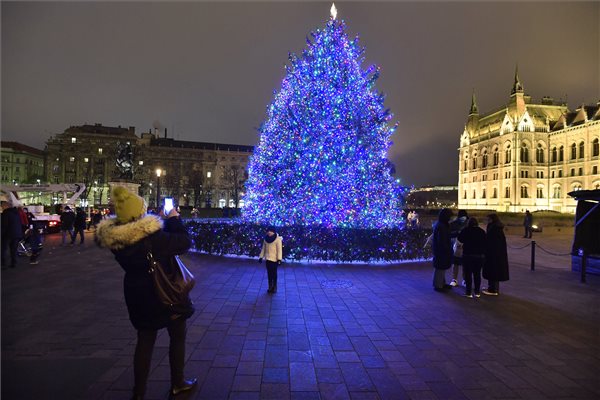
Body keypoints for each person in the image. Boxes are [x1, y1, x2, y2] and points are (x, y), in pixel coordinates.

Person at [95, 186, 197, 400]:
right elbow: (184, 242)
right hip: (164, 293)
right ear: (140, 213)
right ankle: (178, 383)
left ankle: (138, 394)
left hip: (136, 293)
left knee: (145, 340)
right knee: (177, 336)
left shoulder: (118, 239)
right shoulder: (152, 238)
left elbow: (146, 237)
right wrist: (174, 219)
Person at [458, 217, 487, 298]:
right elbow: (485, 242)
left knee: (468, 274)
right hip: (479, 256)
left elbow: (460, 239)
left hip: (468, 255)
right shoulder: (481, 231)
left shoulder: (466, 230)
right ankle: (477, 292)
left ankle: (468, 292)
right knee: (477, 274)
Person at [483, 213, 509, 296]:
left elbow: (490, 240)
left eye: (488, 219)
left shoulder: (494, 228)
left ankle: (493, 290)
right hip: (497, 253)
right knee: (495, 271)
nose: (487, 221)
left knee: (493, 270)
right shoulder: (497, 227)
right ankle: (493, 288)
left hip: (493, 253)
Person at [432, 208, 453, 291]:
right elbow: (442, 240)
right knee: (440, 268)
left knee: (441, 268)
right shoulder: (442, 226)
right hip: (441, 251)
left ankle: (441, 283)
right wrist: (447, 249)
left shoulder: (441, 224)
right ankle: (438, 285)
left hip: (441, 250)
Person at [1, 194, 24, 269]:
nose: (2, 207)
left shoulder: (5, 213)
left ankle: (2, 263)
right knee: (13, 249)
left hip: (8, 234)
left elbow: (4, 225)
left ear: (7, 205)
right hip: (16, 234)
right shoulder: (16, 213)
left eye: (3, 205)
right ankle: (14, 263)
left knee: (3, 249)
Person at [258, 226, 283, 293]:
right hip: (268, 259)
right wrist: (261, 257)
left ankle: (274, 287)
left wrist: (279, 259)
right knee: (269, 274)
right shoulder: (266, 239)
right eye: (268, 231)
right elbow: (263, 249)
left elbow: (279, 250)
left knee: (274, 274)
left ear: (274, 232)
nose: (269, 232)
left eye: (271, 231)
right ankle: (270, 286)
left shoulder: (278, 239)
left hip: (274, 260)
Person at [449, 210, 469, 287]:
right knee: (455, 263)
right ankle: (454, 279)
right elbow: (450, 233)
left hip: (466, 246)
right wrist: (457, 233)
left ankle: (464, 280)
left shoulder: (468, 223)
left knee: (465, 264)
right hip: (456, 246)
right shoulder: (454, 223)